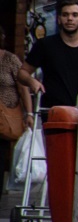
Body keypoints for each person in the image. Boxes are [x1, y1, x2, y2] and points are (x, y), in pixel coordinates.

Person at [18, 0, 78, 118]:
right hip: (52, 112)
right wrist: (32, 82)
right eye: (65, 15)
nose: (70, 19)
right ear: (58, 19)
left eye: (75, 15)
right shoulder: (46, 45)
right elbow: (22, 73)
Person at [0, 25, 33, 191]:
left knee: (1, 156)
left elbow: (23, 88)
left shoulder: (10, 60)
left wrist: (29, 113)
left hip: (5, 118)